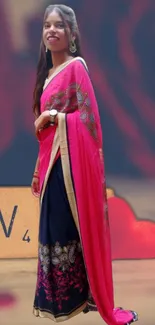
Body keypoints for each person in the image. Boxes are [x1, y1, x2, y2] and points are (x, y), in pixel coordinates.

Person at [32, 4, 138, 324]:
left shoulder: (77, 68)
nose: (52, 30)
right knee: (51, 231)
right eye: (47, 25)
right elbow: (44, 136)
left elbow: (90, 121)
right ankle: (61, 299)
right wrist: (38, 167)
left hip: (71, 166)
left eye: (59, 26)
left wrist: (53, 116)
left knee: (68, 227)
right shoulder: (48, 74)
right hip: (51, 166)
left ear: (72, 34)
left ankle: (81, 297)